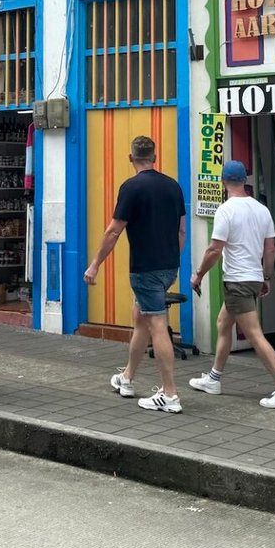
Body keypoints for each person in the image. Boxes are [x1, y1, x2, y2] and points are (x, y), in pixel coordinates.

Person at [86, 135, 188, 414]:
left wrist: (95, 264)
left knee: (156, 324)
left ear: (130, 158)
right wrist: (173, 260)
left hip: (145, 269)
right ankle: (127, 378)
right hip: (168, 267)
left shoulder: (131, 188)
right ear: (155, 157)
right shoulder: (174, 187)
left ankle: (169, 394)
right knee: (140, 321)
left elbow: (113, 231)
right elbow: (181, 230)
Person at [188, 161, 275, 410]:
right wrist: (266, 277)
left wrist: (199, 274)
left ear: (223, 181)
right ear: (245, 180)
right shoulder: (262, 209)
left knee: (254, 335)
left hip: (237, 281)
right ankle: (214, 379)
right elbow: (270, 247)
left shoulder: (226, 210)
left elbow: (215, 249)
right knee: (223, 323)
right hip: (253, 278)